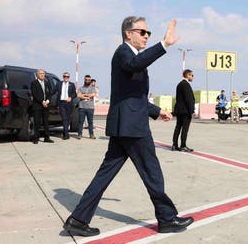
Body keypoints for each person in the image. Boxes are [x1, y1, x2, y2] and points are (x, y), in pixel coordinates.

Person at [63, 16, 194, 236]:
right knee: (152, 172)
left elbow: (133, 95)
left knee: (105, 174)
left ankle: (78, 219)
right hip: (132, 127)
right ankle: (167, 218)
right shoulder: (124, 53)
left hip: (125, 123)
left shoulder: (132, 57)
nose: (146, 36)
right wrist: (164, 44)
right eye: (142, 32)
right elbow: (136, 64)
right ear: (128, 33)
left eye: (148, 33)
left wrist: (156, 110)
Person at [172, 69, 195, 152]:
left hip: (179, 111)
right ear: (187, 75)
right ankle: (183, 146)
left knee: (178, 127)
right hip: (185, 111)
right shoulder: (186, 85)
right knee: (185, 129)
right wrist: (191, 110)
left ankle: (174, 145)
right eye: (192, 75)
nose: (193, 77)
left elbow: (179, 99)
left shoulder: (179, 84)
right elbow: (188, 99)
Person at [30, 69, 54, 144]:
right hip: (37, 106)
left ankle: (47, 138)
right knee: (37, 123)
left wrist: (47, 101)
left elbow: (50, 93)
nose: (42, 75)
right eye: (40, 73)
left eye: (43, 73)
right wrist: (42, 101)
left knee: (46, 122)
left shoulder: (47, 83)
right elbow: (34, 94)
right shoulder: (34, 83)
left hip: (46, 106)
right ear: (37, 75)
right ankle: (36, 138)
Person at [53, 72, 77, 139]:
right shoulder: (59, 84)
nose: (66, 77)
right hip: (61, 103)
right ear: (63, 77)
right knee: (64, 118)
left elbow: (75, 94)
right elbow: (53, 91)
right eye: (65, 76)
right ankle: (66, 134)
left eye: (67, 76)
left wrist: (71, 97)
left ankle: (65, 131)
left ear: (69, 77)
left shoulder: (71, 85)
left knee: (68, 118)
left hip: (69, 103)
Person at [77, 75, 96, 139]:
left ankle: (91, 134)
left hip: (90, 108)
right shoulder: (80, 88)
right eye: (86, 80)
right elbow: (79, 95)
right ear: (84, 80)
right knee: (80, 122)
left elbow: (93, 94)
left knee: (90, 122)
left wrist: (84, 95)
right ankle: (79, 134)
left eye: (89, 80)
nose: (87, 81)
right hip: (82, 107)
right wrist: (88, 96)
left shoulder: (92, 88)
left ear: (90, 81)